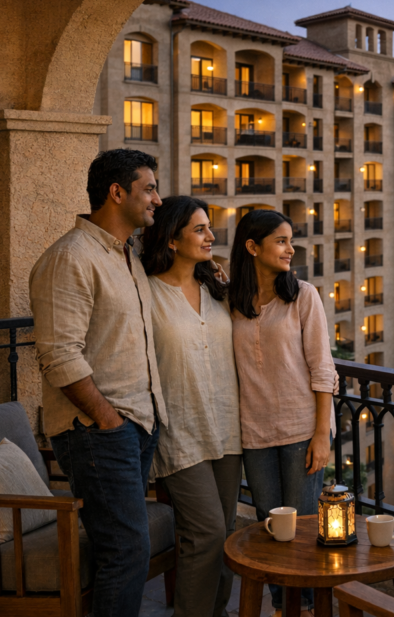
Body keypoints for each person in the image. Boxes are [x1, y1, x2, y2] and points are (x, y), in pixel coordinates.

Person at [29, 148, 166, 617]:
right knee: (125, 554)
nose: (157, 199)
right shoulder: (70, 257)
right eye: (149, 188)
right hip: (99, 431)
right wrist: (109, 421)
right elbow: (58, 354)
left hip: (133, 426)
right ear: (117, 192)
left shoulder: (127, 258)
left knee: (124, 550)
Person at [229, 210, 336, 616]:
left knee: (303, 528)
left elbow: (323, 367)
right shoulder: (232, 301)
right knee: (268, 525)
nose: (291, 249)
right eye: (280, 241)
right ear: (253, 247)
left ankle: (304, 608)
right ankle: (280, 607)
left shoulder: (303, 295)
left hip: (300, 431)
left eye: (291, 240)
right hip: (253, 432)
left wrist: (321, 435)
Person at [140, 196, 242, 617]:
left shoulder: (217, 288)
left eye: (209, 227)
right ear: (172, 237)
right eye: (199, 229)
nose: (211, 236)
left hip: (228, 427)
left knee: (227, 535)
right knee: (206, 532)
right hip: (180, 430)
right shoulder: (145, 292)